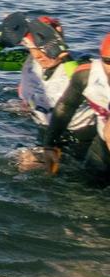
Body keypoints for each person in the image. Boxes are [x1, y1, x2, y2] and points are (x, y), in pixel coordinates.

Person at [46, 33, 110, 186]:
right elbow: (65, 107)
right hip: (102, 144)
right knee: (86, 188)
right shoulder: (86, 76)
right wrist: (50, 145)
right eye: (109, 61)